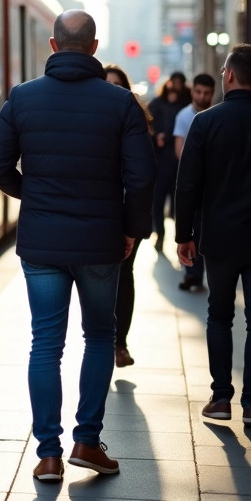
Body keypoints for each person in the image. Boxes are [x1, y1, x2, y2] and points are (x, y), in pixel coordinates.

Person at [0, 11, 154, 482]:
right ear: (94, 47)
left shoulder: (22, 98)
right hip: (100, 241)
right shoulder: (121, 103)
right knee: (99, 336)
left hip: (42, 242)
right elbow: (142, 178)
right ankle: (86, 440)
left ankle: (48, 454)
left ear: (55, 46)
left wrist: (32, 195)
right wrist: (131, 229)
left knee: (46, 343)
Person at [175, 44, 251, 429]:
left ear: (230, 75)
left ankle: (221, 398)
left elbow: (187, 186)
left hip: (218, 239)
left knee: (219, 316)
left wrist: (183, 234)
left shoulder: (205, 123)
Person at [102, 64, 154, 369]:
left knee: (124, 276)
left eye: (118, 84)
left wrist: (134, 225)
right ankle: (104, 340)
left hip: (130, 213)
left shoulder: (135, 118)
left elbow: (144, 175)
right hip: (101, 214)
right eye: (106, 83)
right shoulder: (94, 116)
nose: (113, 89)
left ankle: (119, 343)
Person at [172, 73, 215, 293]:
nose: (202, 96)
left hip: (213, 186)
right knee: (191, 229)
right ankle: (192, 274)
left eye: (207, 93)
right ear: (193, 91)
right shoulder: (183, 116)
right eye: (199, 92)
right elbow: (179, 151)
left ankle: (197, 274)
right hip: (191, 182)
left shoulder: (217, 116)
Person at [146, 78, 182, 249]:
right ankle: (159, 235)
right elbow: (147, 126)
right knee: (158, 202)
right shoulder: (156, 104)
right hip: (159, 162)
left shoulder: (183, 106)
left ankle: (180, 238)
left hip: (177, 163)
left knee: (177, 204)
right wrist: (156, 137)